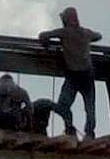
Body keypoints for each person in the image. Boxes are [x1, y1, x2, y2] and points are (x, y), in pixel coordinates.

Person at [39, 7, 102, 139]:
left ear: (66, 19)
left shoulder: (64, 32)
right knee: (90, 107)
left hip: (73, 76)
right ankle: (90, 133)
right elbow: (99, 36)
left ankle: (69, 128)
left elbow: (43, 35)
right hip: (87, 74)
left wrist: (47, 46)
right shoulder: (86, 32)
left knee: (63, 105)